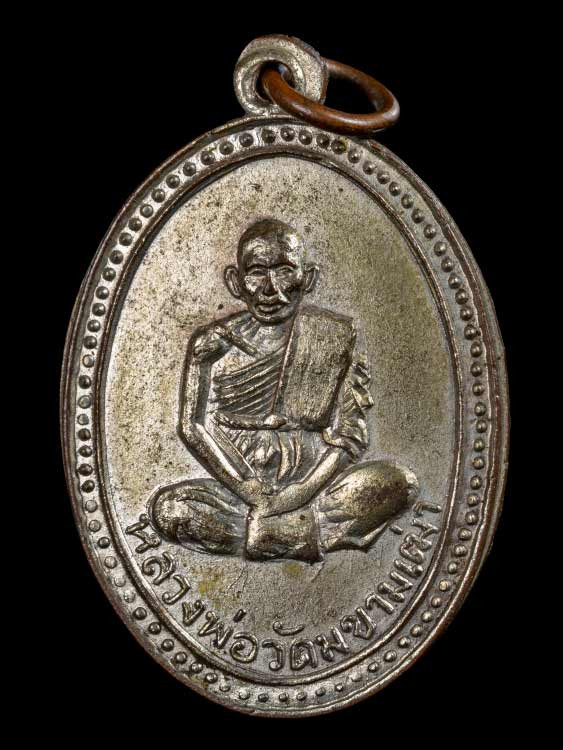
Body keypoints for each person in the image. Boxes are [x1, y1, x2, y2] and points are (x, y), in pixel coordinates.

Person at [148, 219, 418, 562]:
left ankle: (263, 534)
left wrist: (299, 493)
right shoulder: (212, 344)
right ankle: (298, 532)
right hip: (236, 482)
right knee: (171, 509)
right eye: (256, 272)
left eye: (285, 271)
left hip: (316, 482)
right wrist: (249, 489)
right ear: (235, 282)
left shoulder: (336, 336)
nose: (270, 290)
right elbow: (192, 427)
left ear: (309, 278)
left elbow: (350, 436)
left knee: (398, 483)